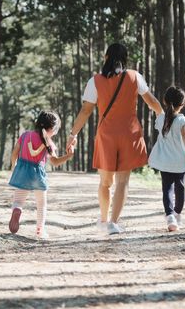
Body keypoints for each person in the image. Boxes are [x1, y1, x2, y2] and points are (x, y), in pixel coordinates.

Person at [66, 43, 163, 235]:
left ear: (106, 57)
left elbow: (85, 111)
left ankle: (103, 220)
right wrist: (164, 117)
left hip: (106, 135)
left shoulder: (95, 81)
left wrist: (73, 134)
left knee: (105, 182)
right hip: (130, 134)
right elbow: (151, 101)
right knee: (122, 182)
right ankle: (113, 222)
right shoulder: (135, 77)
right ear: (125, 59)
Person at [8, 110, 74, 239]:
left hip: (22, 172)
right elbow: (55, 162)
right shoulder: (48, 142)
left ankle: (17, 210)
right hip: (38, 174)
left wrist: (13, 166)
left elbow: (15, 152)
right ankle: (40, 230)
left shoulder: (25, 135)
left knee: (18, 201)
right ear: (52, 129)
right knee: (41, 204)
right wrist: (68, 156)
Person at [148, 86, 185, 232]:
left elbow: (159, 118)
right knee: (180, 188)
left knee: (167, 189)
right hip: (180, 161)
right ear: (182, 104)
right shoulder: (183, 120)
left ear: (165, 101)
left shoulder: (161, 119)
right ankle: (177, 213)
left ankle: (170, 217)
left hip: (165, 161)